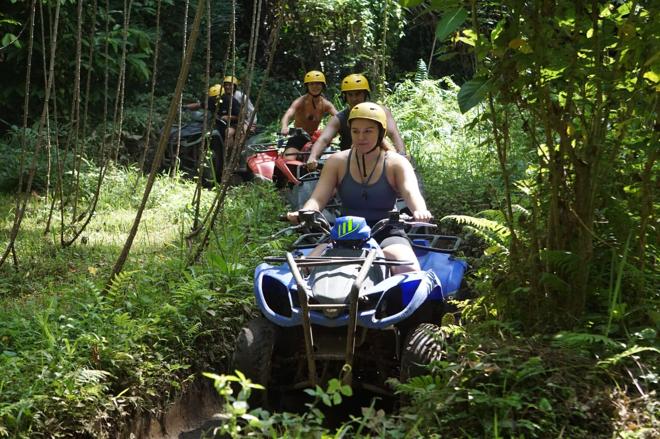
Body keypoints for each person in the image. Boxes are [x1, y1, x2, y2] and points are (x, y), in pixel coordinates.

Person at [287, 102, 431, 274]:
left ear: (380, 132)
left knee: (408, 268)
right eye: (355, 131)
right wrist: (305, 212)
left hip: (387, 229)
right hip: (344, 229)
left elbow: (410, 192)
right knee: (305, 268)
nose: (361, 137)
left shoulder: (396, 162)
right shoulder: (336, 161)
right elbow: (318, 198)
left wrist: (420, 211)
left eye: (368, 131)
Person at [306, 73, 406, 170]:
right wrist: (313, 157)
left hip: (379, 162)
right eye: (350, 95)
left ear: (365, 94)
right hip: (349, 165)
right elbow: (323, 139)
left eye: (358, 94)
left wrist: (402, 154)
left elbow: (394, 134)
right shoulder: (339, 118)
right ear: (345, 96)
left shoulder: (382, 112)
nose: (354, 98)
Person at [280, 70, 338, 159]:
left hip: (315, 138)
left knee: (328, 158)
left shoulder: (326, 104)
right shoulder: (300, 101)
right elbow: (288, 114)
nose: (315, 86)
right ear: (307, 86)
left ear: (323, 86)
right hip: (297, 136)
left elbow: (338, 117)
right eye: (312, 84)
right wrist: (284, 126)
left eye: (318, 84)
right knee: (288, 159)